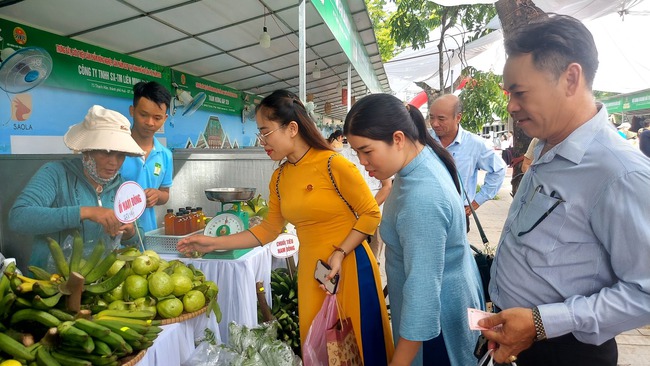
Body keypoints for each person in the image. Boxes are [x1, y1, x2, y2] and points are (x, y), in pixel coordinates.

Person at [478, 14, 650, 366]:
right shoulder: (545, 146)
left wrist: (542, 323)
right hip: (517, 338)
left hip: (566, 351)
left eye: (520, 92)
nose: (510, 105)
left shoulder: (620, 173)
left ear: (571, 78)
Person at [177, 89, 394, 364]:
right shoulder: (279, 178)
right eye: (259, 133)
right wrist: (212, 243)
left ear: (292, 128)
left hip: (349, 267)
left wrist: (340, 251)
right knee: (321, 347)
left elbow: (370, 214)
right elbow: (268, 230)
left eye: (265, 132)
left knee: (359, 344)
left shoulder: (334, 164)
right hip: (312, 274)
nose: (262, 140)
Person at [345, 96, 484, 366]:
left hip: (435, 328)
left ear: (398, 138)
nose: (363, 162)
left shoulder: (421, 197)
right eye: (357, 153)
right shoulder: (421, 158)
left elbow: (422, 297)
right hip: (450, 303)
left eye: (367, 151)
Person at [9, 105, 145, 270]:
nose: (114, 163)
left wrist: (129, 234)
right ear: (87, 150)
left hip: (99, 286)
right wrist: (85, 212)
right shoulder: (55, 174)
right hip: (50, 284)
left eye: (121, 155)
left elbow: (138, 241)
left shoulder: (122, 187)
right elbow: (18, 217)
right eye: (107, 152)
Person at [428, 94, 506, 231]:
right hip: (425, 212)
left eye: (441, 119)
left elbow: (499, 170)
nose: (434, 123)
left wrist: (476, 201)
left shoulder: (474, 144)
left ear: (458, 117)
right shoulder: (423, 141)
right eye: (431, 117)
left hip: (457, 216)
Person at [120, 81, 173, 233]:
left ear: (165, 118)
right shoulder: (116, 150)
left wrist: (157, 195)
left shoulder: (165, 155)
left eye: (157, 118)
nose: (150, 123)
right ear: (132, 110)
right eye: (143, 115)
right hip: (116, 234)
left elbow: (165, 194)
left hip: (148, 234)